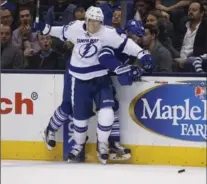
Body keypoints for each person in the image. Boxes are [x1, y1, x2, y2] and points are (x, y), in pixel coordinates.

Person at [41, 6, 152, 164]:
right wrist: (46, 29)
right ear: (86, 20)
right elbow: (62, 33)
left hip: (100, 77)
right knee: (70, 109)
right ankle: (65, 137)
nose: (95, 25)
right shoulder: (76, 28)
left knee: (109, 110)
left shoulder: (110, 34)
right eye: (92, 21)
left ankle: (106, 144)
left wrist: (142, 55)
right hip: (76, 76)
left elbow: (126, 46)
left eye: (98, 22)